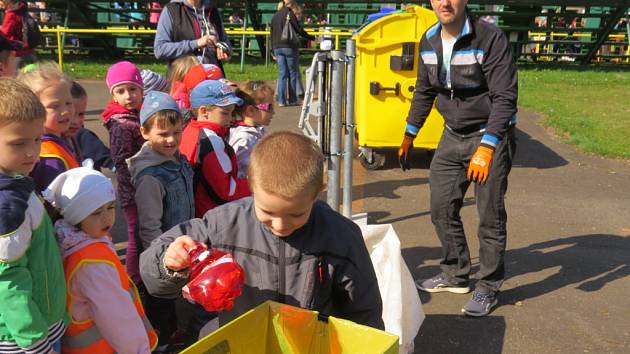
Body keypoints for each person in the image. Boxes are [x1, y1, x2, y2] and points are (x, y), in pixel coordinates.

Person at [139, 131, 385, 330]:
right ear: (251, 187)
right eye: (267, 213)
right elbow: (153, 273)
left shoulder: (341, 236)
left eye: (296, 214)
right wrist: (169, 263)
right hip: (241, 339)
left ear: (318, 191)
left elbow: (364, 312)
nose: (280, 225)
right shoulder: (223, 224)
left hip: (309, 344)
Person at [399, 0, 518, 317]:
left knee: (490, 217)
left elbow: (505, 97)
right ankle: (455, 273)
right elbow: (424, 89)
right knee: (440, 207)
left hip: (489, 134)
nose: (445, 3)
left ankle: (488, 287)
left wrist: (488, 146)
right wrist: (410, 132)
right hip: (452, 135)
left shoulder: (490, 38)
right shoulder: (429, 39)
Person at [43, 166, 157, 354]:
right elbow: (117, 319)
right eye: (95, 213)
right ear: (75, 216)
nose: (107, 218)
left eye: (111, 207)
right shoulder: (93, 264)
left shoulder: (69, 241)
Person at [0, 78, 67, 354]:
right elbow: (8, 281)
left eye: (38, 139)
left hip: (40, 325)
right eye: (19, 143)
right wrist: (36, 343)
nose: (32, 152)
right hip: (25, 340)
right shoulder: (7, 206)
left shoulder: (15, 181)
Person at [127, 92, 195, 349]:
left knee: (177, 308)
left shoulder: (177, 161)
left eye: (177, 133)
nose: (171, 140)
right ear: (145, 132)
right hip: (164, 261)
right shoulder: (150, 177)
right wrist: (161, 262)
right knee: (160, 312)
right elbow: (149, 227)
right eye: (163, 134)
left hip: (182, 250)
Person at [101, 60, 145, 286]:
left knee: (141, 232)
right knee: (135, 234)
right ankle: (133, 277)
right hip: (132, 190)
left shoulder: (135, 116)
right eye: (121, 91)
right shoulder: (121, 124)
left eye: (133, 89)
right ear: (114, 96)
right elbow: (120, 161)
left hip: (139, 187)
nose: (128, 96)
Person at [179, 79, 250, 217]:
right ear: (204, 111)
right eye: (225, 113)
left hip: (194, 211)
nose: (231, 118)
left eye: (232, 112)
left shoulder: (188, 130)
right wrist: (255, 184)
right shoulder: (212, 141)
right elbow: (227, 191)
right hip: (211, 214)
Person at [18, 61, 79, 194]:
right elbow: (54, 200)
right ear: (32, 109)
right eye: (55, 106)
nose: (66, 111)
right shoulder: (48, 157)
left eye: (68, 103)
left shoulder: (62, 136)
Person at [154, 0, 231, 74]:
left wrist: (223, 49)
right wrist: (196, 43)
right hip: (185, 77)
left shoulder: (212, 10)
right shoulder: (172, 10)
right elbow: (160, 49)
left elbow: (226, 44)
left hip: (214, 77)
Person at [270, 0, 315, 106]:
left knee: (282, 74)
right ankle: (292, 99)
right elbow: (298, 29)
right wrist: (311, 37)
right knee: (293, 73)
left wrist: (273, 50)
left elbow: (271, 33)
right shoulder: (289, 14)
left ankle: (281, 101)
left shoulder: (275, 15)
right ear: (292, 4)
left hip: (277, 47)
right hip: (289, 46)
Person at [229, 81, 275, 178]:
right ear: (250, 110)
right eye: (269, 107)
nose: (273, 112)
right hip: (248, 189)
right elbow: (233, 171)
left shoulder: (258, 129)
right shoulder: (243, 139)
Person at [70, 81, 115, 172]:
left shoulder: (83, 135)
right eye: (71, 114)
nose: (76, 121)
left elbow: (105, 157)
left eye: (81, 114)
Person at [0, 0, 36, 67]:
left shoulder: (11, 14)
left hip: (17, 55)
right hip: (29, 52)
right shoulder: (23, 11)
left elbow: (4, 35)